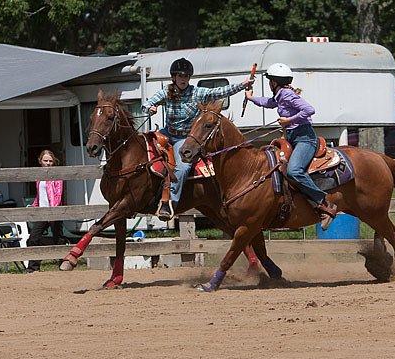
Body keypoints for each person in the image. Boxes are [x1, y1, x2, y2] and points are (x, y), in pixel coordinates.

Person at [144, 57, 254, 220]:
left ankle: (170, 203)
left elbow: (219, 92)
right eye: (180, 76)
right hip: (167, 133)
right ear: (173, 77)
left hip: (185, 137)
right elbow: (148, 102)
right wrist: (150, 108)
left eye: (186, 76)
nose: (183, 79)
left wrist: (242, 85)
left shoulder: (197, 93)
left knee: (182, 167)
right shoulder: (166, 92)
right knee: (141, 146)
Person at [245, 62, 338, 230]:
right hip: (294, 138)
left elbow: (309, 109)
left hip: (304, 138)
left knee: (294, 171)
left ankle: (324, 202)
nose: (269, 84)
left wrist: (289, 120)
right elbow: (269, 102)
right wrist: (252, 99)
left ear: (274, 82)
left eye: (269, 81)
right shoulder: (280, 95)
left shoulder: (286, 94)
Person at [26, 149, 64, 272]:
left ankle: (63, 265)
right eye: (45, 160)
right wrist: (34, 205)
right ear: (40, 161)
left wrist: (52, 211)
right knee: (33, 238)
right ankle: (33, 268)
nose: (48, 163)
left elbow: (58, 194)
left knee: (59, 239)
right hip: (41, 212)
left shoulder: (57, 175)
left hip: (54, 211)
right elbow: (40, 194)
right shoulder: (39, 177)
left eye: (50, 161)